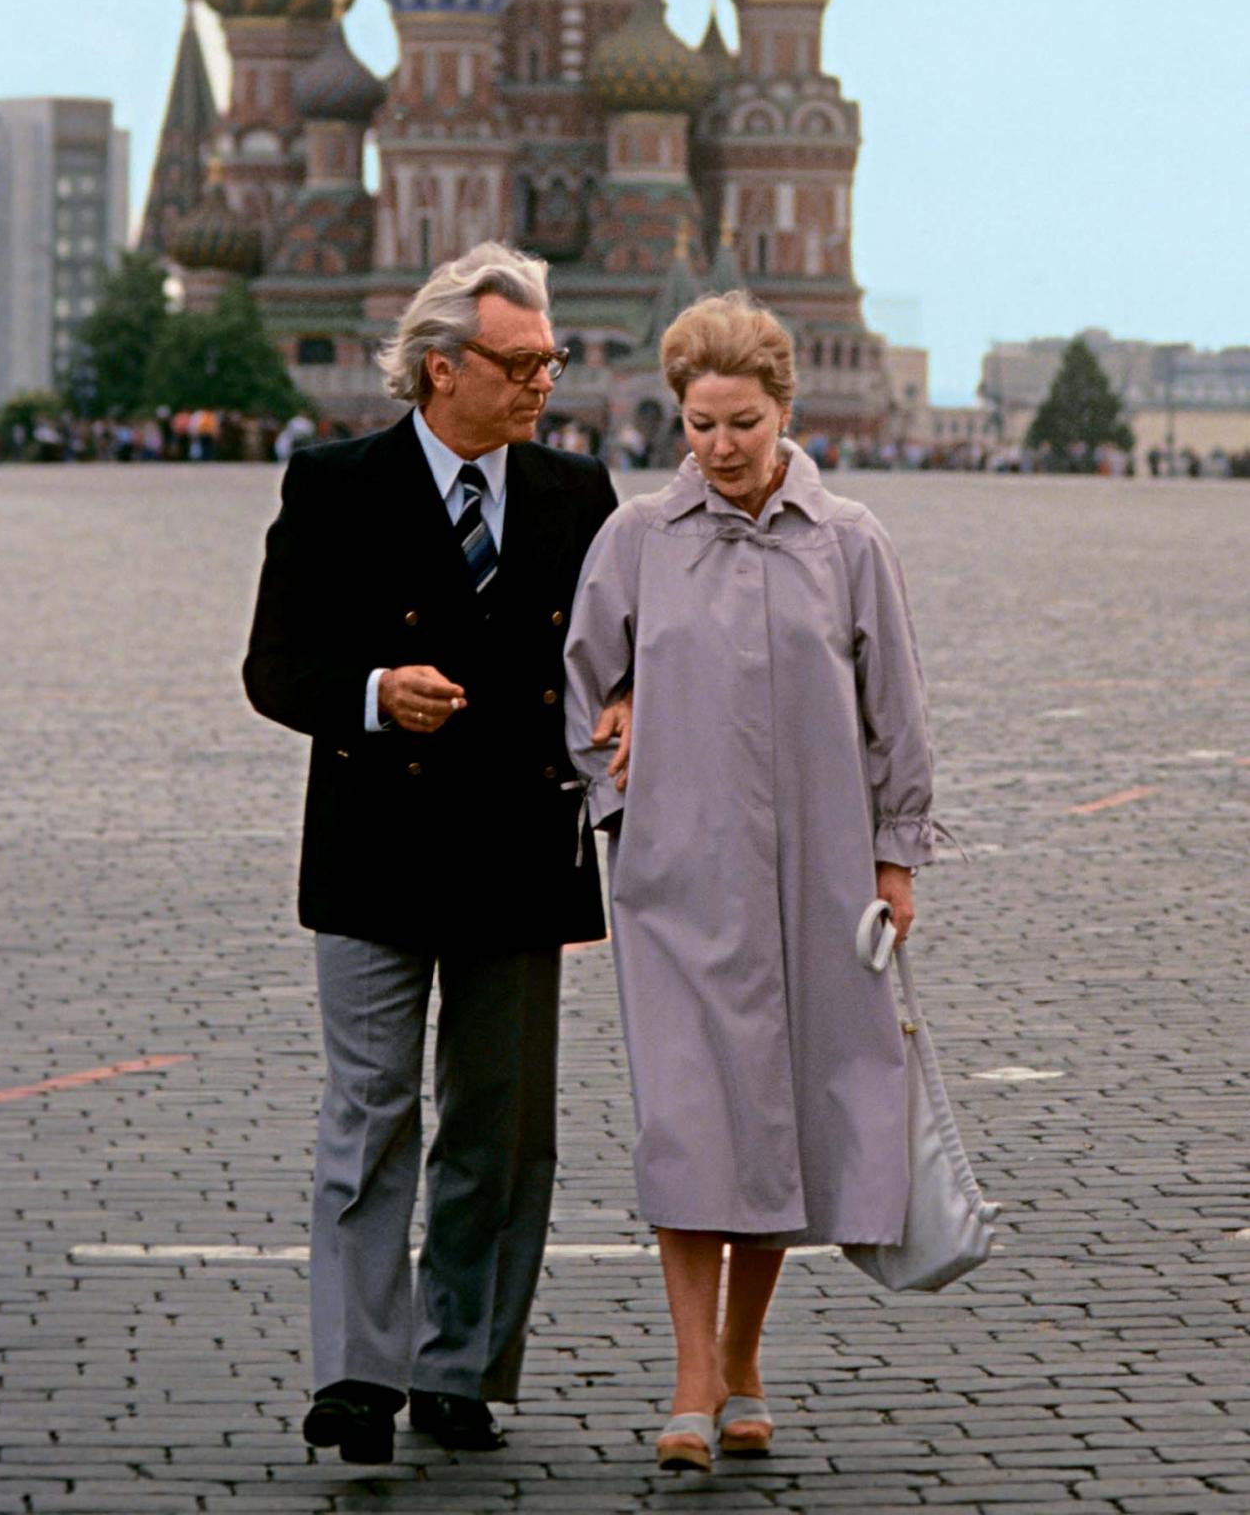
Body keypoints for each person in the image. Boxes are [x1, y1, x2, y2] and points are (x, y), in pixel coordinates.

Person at [243, 243, 626, 1466]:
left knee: (497, 1125)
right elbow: (274, 667)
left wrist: (626, 704)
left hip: (519, 845)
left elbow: (618, 653)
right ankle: (359, 1372)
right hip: (377, 846)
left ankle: (460, 1366)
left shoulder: (578, 490)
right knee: (371, 1110)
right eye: (520, 364)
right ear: (439, 367)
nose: (543, 383)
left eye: (550, 361)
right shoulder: (334, 482)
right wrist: (372, 692)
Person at [565, 291, 941, 1475]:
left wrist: (896, 855)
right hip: (677, 881)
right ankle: (691, 1375)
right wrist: (626, 796)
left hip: (819, 874)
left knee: (776, 1111)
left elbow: (897, 712)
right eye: (700, 423)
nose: (720, 446)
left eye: (742, 422)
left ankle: (743, 1356)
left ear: (786, 412)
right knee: (689, 1119)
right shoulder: (638, 536)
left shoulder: (850, 541)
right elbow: (582, 689)